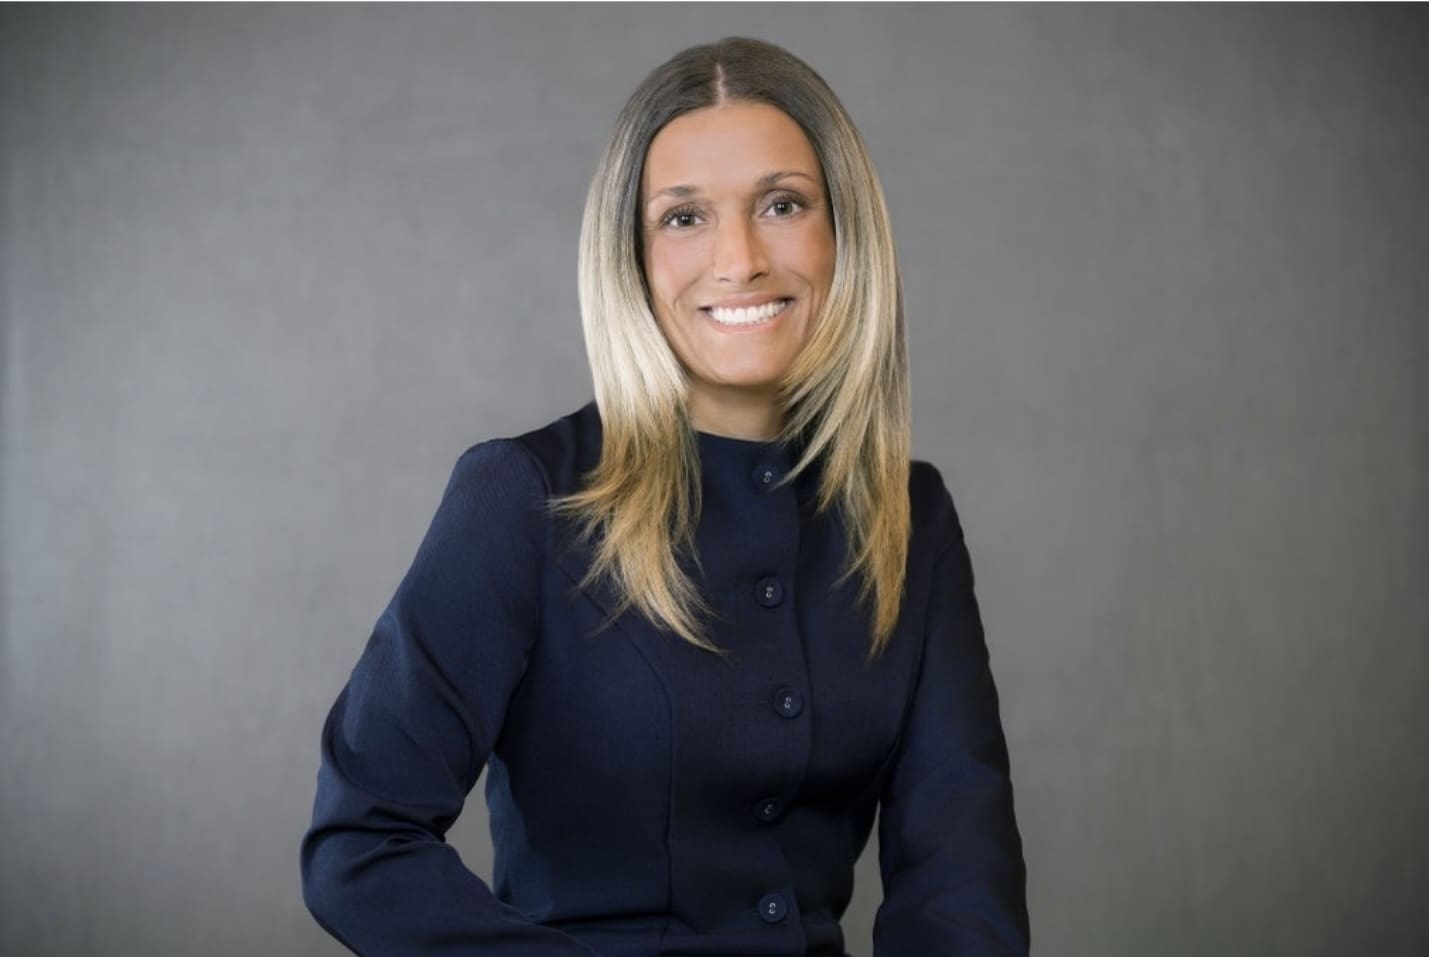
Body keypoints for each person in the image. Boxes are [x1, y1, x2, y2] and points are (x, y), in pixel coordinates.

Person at [299, 35, 1030, 957]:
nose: (739, 259)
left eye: (781, 204)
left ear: (843, 230)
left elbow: (959, 879)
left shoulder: (910, 514)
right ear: (632, 257)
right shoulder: (521, 498)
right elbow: (360, 843)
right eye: (684, 218)